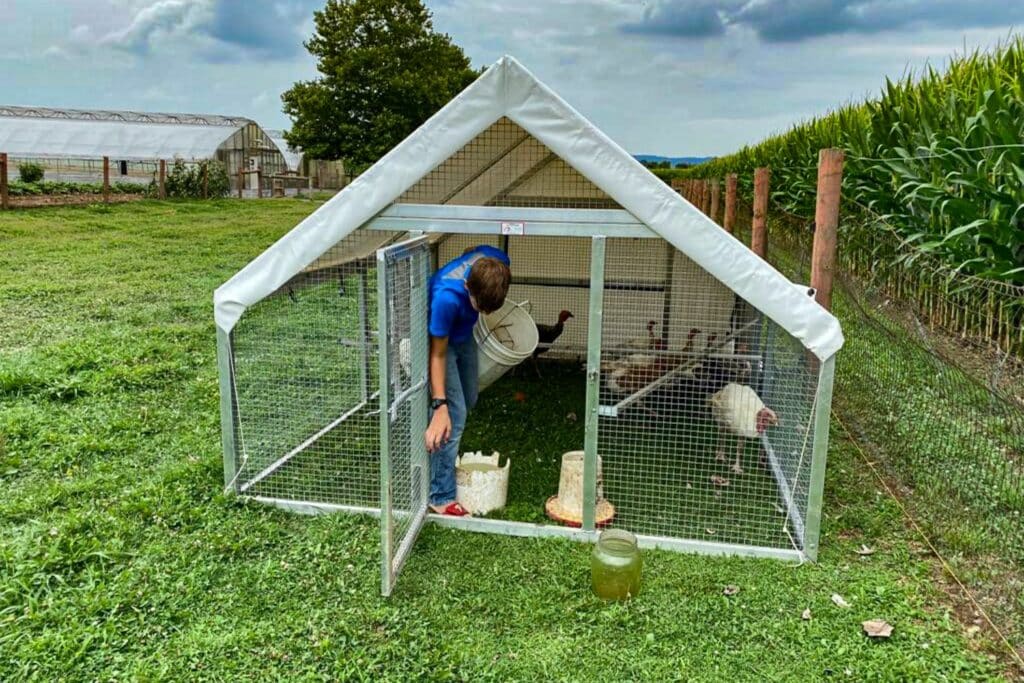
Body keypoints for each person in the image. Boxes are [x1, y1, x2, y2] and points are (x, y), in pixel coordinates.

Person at [424, 245, 511, 516]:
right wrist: (440, 405)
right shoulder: (445, 299)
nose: (483, 314)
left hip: (464, 334)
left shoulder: (498, 261)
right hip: (444, 340)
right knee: (454, 413)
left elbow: (471, 250)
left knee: (470, 397)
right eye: (479, 306)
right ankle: (440, 495)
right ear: (466, 286)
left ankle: (437, 437)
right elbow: (437, 354)